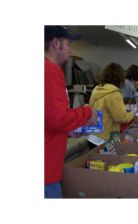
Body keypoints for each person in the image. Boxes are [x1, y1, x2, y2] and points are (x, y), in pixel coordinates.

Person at [44, 26, 97, 198]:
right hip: (46, 169)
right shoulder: (51, 70)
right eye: (68, 43)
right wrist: (87, 112)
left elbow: (47, 118)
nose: (71, 49)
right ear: (56, 43)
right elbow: (56, 119)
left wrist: (67, 132)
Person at [90, 63, 135, 142]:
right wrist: (132, 112)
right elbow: (121, 118)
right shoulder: (114, 93)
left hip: (92, 136)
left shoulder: (97, 89)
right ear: (120, 77)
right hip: (106, 138)